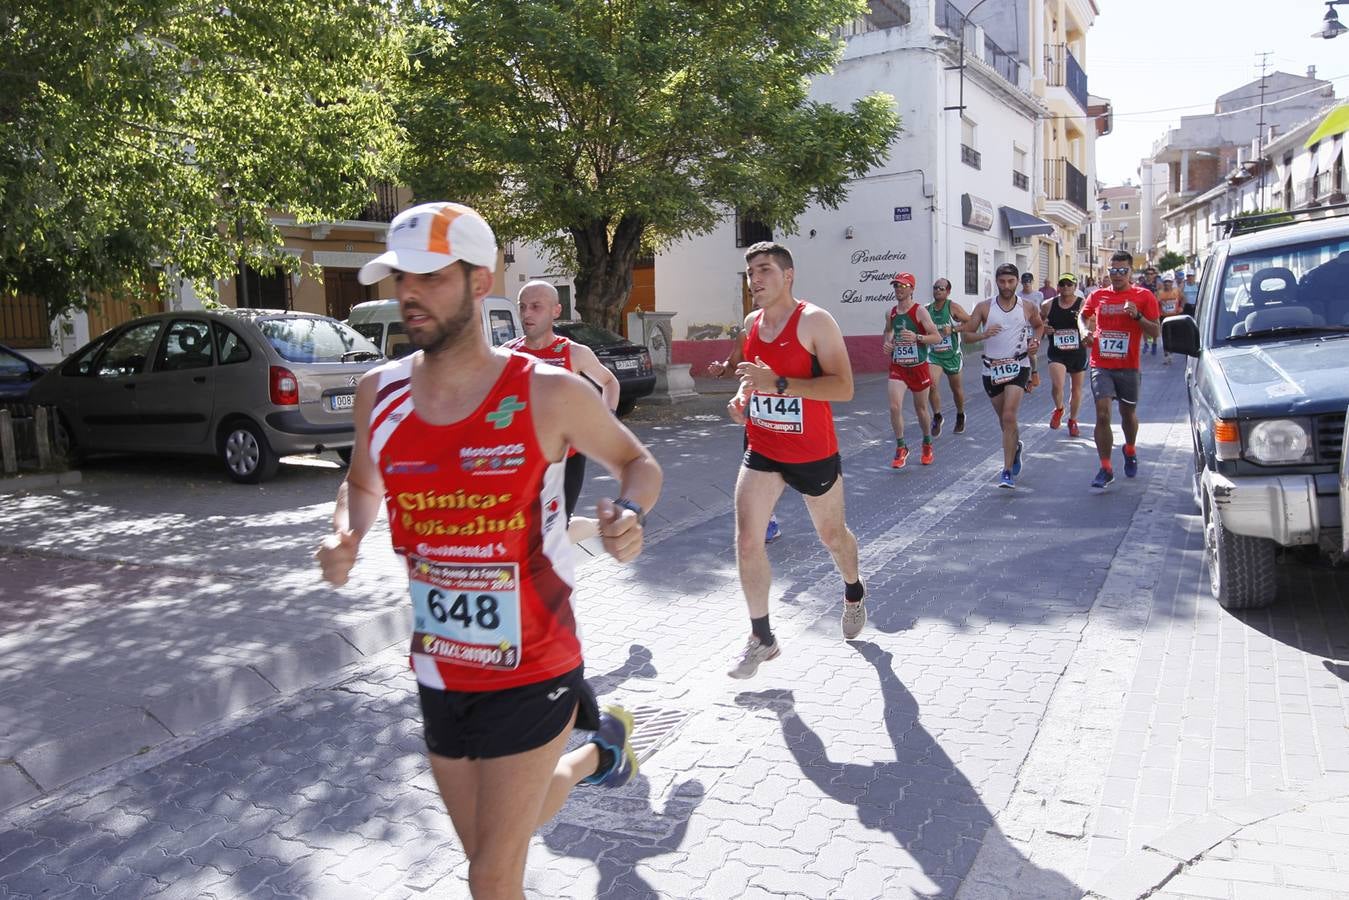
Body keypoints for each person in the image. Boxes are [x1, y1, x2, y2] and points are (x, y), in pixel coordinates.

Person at [314, 202, 663, 899]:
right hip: (440, 665)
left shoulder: (545, 391)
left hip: (535, 662)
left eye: (430, 277)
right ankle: (598, 754)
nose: (407, 294)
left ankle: (592, 750)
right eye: (399, 279)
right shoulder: (375, 393)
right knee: (493, 842)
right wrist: (345, 531)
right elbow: (360, 482)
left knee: (490, 875)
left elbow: (637, 464)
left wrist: (626, 514)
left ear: (480, 281)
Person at [727, 241, 864, 672]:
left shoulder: (815, 321)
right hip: (763, 447)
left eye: (764, 270)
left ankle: (854, 590)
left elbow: (843, 388)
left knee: (832, 536)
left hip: (812, 451)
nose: (756, 281)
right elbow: (753, 381)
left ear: (788, 276)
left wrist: (781, 383)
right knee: (749, 540)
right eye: (751, 273)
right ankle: (762, 637)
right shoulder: (751, 322)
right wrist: (741, 400)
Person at [507, 280, 620, 536]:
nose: (526, 314)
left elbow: (609, 382)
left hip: (567, 458)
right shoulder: (507, 355)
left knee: (556, 527)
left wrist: (606, 422)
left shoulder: (574, 353)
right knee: (530, 528)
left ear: (556, 311)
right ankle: (601, 525)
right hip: (521, 457)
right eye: (522, 306)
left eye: (536, 306)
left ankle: (598, 527)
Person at [959, 263, 1045, 489]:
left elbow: (1039, 326)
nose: (1006, 286)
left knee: (1009, 416)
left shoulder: (1027, 306)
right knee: (1004, 421)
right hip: (992, 369)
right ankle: (1015, 447)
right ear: (996, 282)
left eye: (1010, 281)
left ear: (1017, 282)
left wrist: (1035, 342)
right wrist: (983, 335)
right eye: (1002, 281)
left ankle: (1006, 471)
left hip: (1019, 365)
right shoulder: (984, 307)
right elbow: (966, 337)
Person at [1083, 250, 1162, 491]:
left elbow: (1155, 332)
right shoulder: (1098, 295)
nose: (1117, 275)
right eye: (1113, 271)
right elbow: (1082, 315)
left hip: (1128, 366)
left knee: (1128, 414)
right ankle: (1105, 468)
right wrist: (1083, 331)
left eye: (1122, 271)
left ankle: (1129, 448)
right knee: (1103, 413)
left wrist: (1137, 316)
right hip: (1101, 363)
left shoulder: (1144, 296)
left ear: (1130, 272)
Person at [708, 330, 783, 544]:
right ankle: (768, 519)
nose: (758, 296)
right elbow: (734, 364)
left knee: (787, 471)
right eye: (753, 293)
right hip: (758, 414)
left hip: (792, 410)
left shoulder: (799, 324)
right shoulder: (747, 332)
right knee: (759, 468)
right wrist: (722, 369)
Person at [880, 272, 943, 467]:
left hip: (918, 367)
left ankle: (926, 442)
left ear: (912, 289)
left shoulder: (920, 312)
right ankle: (901, 447)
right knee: (894, 406)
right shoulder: (890, 312)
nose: (899, 289)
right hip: (898, 366)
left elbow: (937, 337)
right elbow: (888, 331)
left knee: (921, 409)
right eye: (896, 286)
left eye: (903, 286)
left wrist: (917, 338)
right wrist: (887, 343)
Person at [1041, 274, 1088, 437]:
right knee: (1058, 384)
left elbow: (1091, 323)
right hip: (1057, 351)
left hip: (1077, 352)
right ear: (1058, 287)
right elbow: (1038, 324)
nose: (1066, 287)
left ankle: (1073, 420)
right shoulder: (1048, 305)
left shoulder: (1082, 304)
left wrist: (1087, 334)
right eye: (1063, 284)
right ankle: (1059, 408)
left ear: (1075, 287)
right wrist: (1044, 329)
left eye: (1070, 284)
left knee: (1076, 390)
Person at [925, 278, 971, 436]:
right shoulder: (927, 310)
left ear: (948, 291)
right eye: (935, 288)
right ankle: (937, 416)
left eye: (942, 288)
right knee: (931, 385)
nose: (938, 290)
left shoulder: (953, 307)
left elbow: (971, 323)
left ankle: (960, 414)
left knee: (956, 389)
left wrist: (953, 329)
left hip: (952, 355)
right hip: (934, 355)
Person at [1017, 273, 1043, 393]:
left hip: (1034, 327)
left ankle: (1035, 372)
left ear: (1032, 282)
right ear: (1021, 283)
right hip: (1022, 327)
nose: (1027, 284)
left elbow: (1042, 311)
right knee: (1022, 353)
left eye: (1029, 281)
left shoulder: (1038, 295)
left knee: (1031, 352)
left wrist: (1044, 321)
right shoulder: (1018, 296)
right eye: (1024, 282)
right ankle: (1026, 380)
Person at [1155, 275, 1184, 365]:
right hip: (1164, 317)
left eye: (1169, 282)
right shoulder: (1159, 293)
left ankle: (1172, 350)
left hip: (1175, 316)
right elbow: (1155, 304)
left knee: (1174, 334)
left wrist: (1181, 307)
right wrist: (1157, 312)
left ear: (1172, 283)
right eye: (1165, 282)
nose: (1167, 284)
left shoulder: (1176, 291)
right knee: (1166, 336)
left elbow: (1183, 299)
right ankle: (1167, 354)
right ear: (1163, 283)